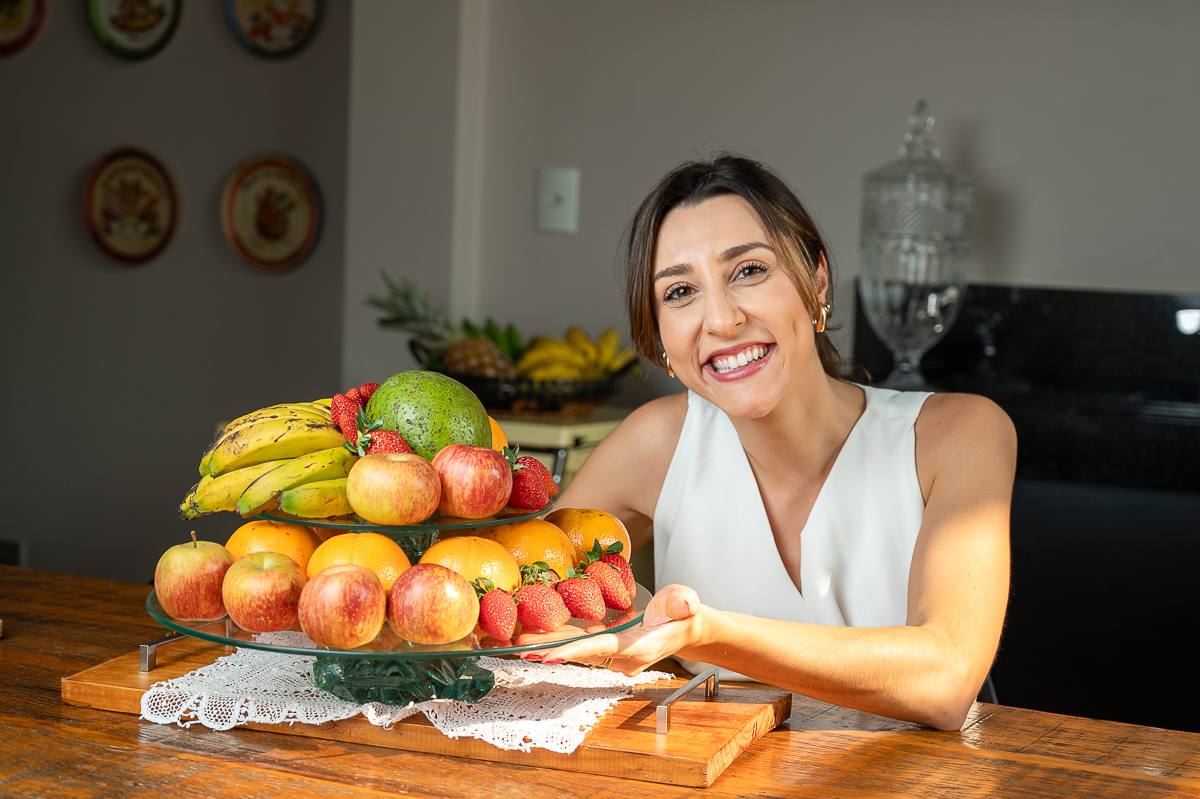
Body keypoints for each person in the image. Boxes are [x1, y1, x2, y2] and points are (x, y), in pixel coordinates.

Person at [520, 154, 1015, 731]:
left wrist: (709, 636)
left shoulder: (958, 434)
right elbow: (526, 588)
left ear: (817, 283)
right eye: (680, 291)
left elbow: (946, 679)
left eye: (749, 271)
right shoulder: (656, 443)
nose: (722, 320)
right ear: (661, 341)